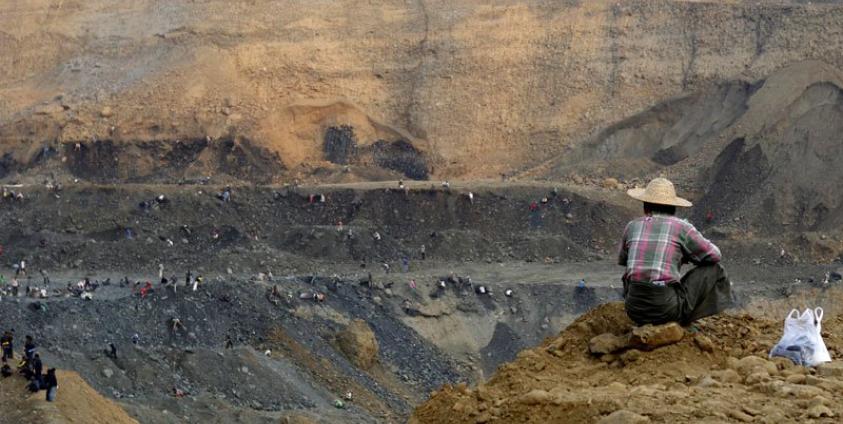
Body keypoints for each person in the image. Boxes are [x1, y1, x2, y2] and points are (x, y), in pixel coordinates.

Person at [618, 178, 732, 326]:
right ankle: (684, 320)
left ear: (646, 208)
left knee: (631, 274)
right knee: (715, 270)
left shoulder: (632, 226)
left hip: (634, 309)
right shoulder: (682, 227)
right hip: (665, 310)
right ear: (673, 208)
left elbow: (623, 260)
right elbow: (715, 255)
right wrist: (687, 255)